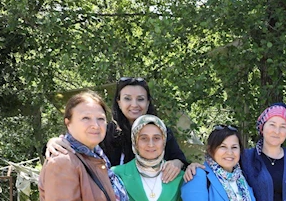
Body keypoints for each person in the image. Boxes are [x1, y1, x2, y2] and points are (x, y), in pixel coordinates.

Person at [46, 77, 196, 183]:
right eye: (127, 98)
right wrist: (54, 142)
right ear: (118, 101)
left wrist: (177, 163)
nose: (134, 104)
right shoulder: (106, 130)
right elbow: (79, 146)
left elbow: (180, 160)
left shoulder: (160, 131)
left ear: (148, 102)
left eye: (140, 99)